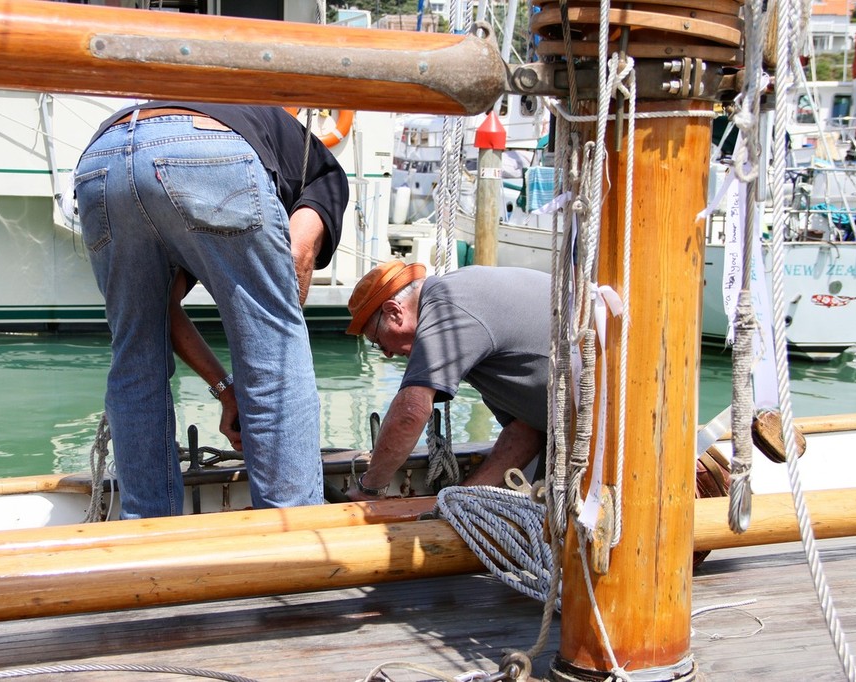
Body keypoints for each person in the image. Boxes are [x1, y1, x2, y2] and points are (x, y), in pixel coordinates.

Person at [73, 102, 348, 518]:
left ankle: (147, 536)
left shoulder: (261, 128)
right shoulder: (322, 173)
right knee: (275, 353)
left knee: (135, 358)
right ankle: (291, 534)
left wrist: (226, 389)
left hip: (101, 158)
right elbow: (296, 255)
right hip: (207, 151)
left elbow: (166, 311)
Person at [344, 260, 550, 500]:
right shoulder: (461, 301)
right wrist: (460, 499)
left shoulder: (445, 305)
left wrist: (370, 489)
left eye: (379, 342)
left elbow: (411, 411)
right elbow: (524, 431)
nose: (387, 353)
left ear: (394, 312)